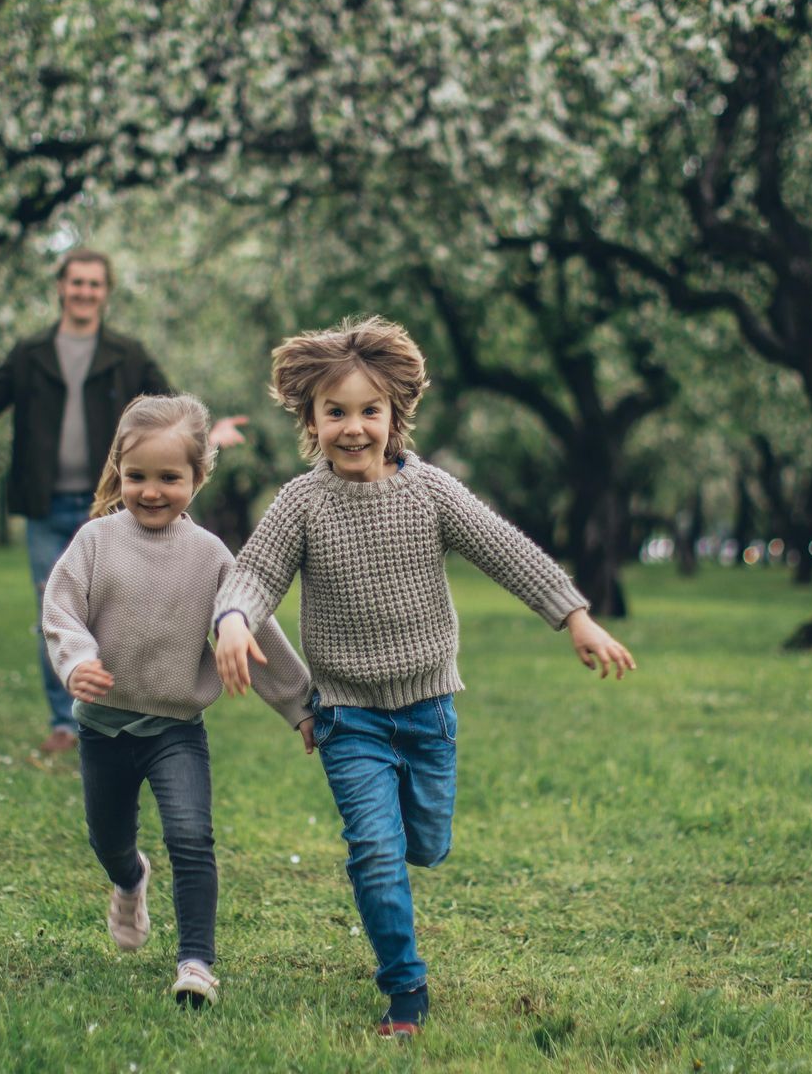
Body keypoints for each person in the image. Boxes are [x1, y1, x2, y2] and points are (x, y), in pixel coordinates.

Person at [210, 315, 636, 1039]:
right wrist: (233, 618)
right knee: (374, 850)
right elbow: (253, 572)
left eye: (368, 411)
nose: (353, 428)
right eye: (335, 412)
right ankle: (405, 988)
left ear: (394, 414)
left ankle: (408, 854)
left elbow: (507, 551)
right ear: (311, 419)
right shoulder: (301, 502)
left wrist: (576, 617)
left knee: (426, 845)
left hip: (430, 709)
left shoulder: (430, 491)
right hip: (348, 716)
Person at [0, 249, 246, 754]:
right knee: (54, 607)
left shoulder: (127, 353)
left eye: (94, 284)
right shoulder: (30, 352)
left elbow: (173, 411)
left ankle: (120, 712)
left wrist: (210, 436)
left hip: (112, 503)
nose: (84, 292)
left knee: (113, 609)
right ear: (61, 287)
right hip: (46, 502)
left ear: (105, 292)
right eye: (76, 283)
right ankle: (67, 722)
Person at [42, 394, 314, 1007]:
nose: (152, 491)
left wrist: (301, 705)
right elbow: (61, 612)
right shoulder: (95, 542)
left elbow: (258, 634)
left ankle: (196, 963)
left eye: (171, 478)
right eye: (137, 477)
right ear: (119, 472)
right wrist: (78, 661)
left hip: (175, 729)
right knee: (108, 841)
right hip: (103, 729)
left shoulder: (211, 556)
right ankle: (130, 879)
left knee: (191, 837)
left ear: (198, 477)